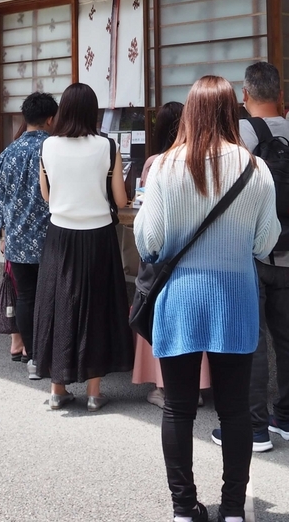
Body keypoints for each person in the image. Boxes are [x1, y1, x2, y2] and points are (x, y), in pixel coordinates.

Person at [135, 76, 279, 522]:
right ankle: (233, 508)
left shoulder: (162, 167)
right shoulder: (255, 169)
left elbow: (150, 242)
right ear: (231, 112)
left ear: (192, 113)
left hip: (179, 299)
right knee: (235, 410)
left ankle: (183, 508)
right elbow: (266, 242)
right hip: (235, 298)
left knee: (178, 409)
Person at [218, 61, 289, 451]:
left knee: (253, 338)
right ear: (281, 94)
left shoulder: (235, 137)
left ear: (244, 96)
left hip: (248, 255)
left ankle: (255, 428)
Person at [33, 82, 134, 410]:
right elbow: (120, 200)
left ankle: (57, 389)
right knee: (98, 309)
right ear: (93, 112)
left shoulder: (48, 147)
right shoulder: (107, 146)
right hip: (98, 237)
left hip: (60, 235)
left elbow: (47, 196)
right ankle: (93, 392)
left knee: (57, 307)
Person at [132, 101, 213, 408]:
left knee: (157, 313)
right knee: (191, 316)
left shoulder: (155, 162)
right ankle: (198, 384)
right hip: (192, 251)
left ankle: (162, 387)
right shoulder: (200, 160)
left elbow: (145, 214)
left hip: (161, 253)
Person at [0, 92, 58, 378]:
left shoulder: (7, 153)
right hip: (51, 238)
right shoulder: (54, 149)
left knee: (26, 297)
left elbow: (0, 200)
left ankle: (31, 355)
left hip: (17, 239)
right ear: (51, 119)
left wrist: (3, 234)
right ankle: (47, 353)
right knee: (50, 297)